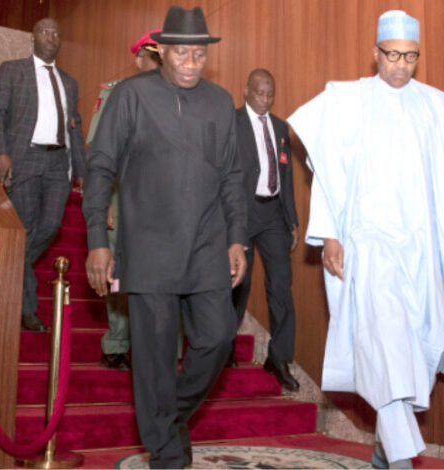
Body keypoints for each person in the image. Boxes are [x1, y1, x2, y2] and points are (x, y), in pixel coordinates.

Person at [288, 10, 444, 469]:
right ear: (375, 53)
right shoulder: (348, 102)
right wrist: (329, 235)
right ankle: (402, 460)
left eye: (410, 57)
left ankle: (384, 446)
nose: (401, 65)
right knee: (388, 347)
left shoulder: (436, 109)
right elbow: (327, 171)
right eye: (392, 55)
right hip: (369, 246)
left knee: (417, 353)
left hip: (422, 250)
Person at [83, 6, 247, 468]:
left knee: (217, 338)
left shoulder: (220, 102)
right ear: (162, 51)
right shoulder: (131, 96)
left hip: (207, 245)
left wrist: (237, 238)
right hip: (150, 247)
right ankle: (167, 453)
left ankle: (167, 418)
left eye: (200, 55)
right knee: (154, 359)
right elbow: (100, 166)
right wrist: (97, 240)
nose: (191, 64)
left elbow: (233, 176)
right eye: (181, 54)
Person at [0, 18, 86, 332]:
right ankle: (27, 309)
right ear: (33, 37)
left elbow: (75, 128)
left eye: (56, 32)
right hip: (24, 158)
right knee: (26, 227)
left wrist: (81, 170)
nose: (51, 36)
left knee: (51, 225)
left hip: (58, 163)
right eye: (44, 31)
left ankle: (9, 265)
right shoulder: (12, 70)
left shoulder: (69, 82)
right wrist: (0, 152)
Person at [86, 29, 161, 371]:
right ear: (139, 59)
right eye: (153, 57)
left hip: (159, 203)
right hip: (121, 195)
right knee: (119, 272)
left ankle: (158, 349)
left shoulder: (175, 96)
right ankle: (116, 343)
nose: (158, 63)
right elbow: (99, 152)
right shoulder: (116, 93)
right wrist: (104, 201)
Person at [231, 69, 300, 390]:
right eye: (259, 93)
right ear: (246, 90)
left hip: (273, 214)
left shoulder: (281, 127)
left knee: (281, 286)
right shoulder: (232, 123)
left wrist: (292, 220)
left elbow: (286, 178)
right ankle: (224, 347)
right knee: (238, 283)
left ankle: (279, 358)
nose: (265, 99)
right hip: (242, 214)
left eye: (270, 94)